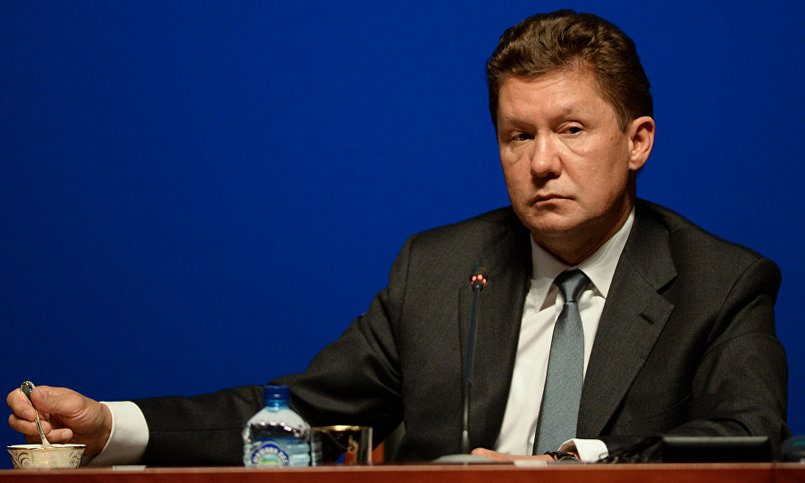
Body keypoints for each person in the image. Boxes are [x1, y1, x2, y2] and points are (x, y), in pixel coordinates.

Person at [7, 10, 789, 465]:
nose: (541, 162)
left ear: (637, 140)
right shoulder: (438, 269)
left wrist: (570, 461)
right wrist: (112, 424)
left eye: (571, 129)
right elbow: (300, 414)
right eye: (517, 135)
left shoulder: (720, 281)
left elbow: (751, 434)